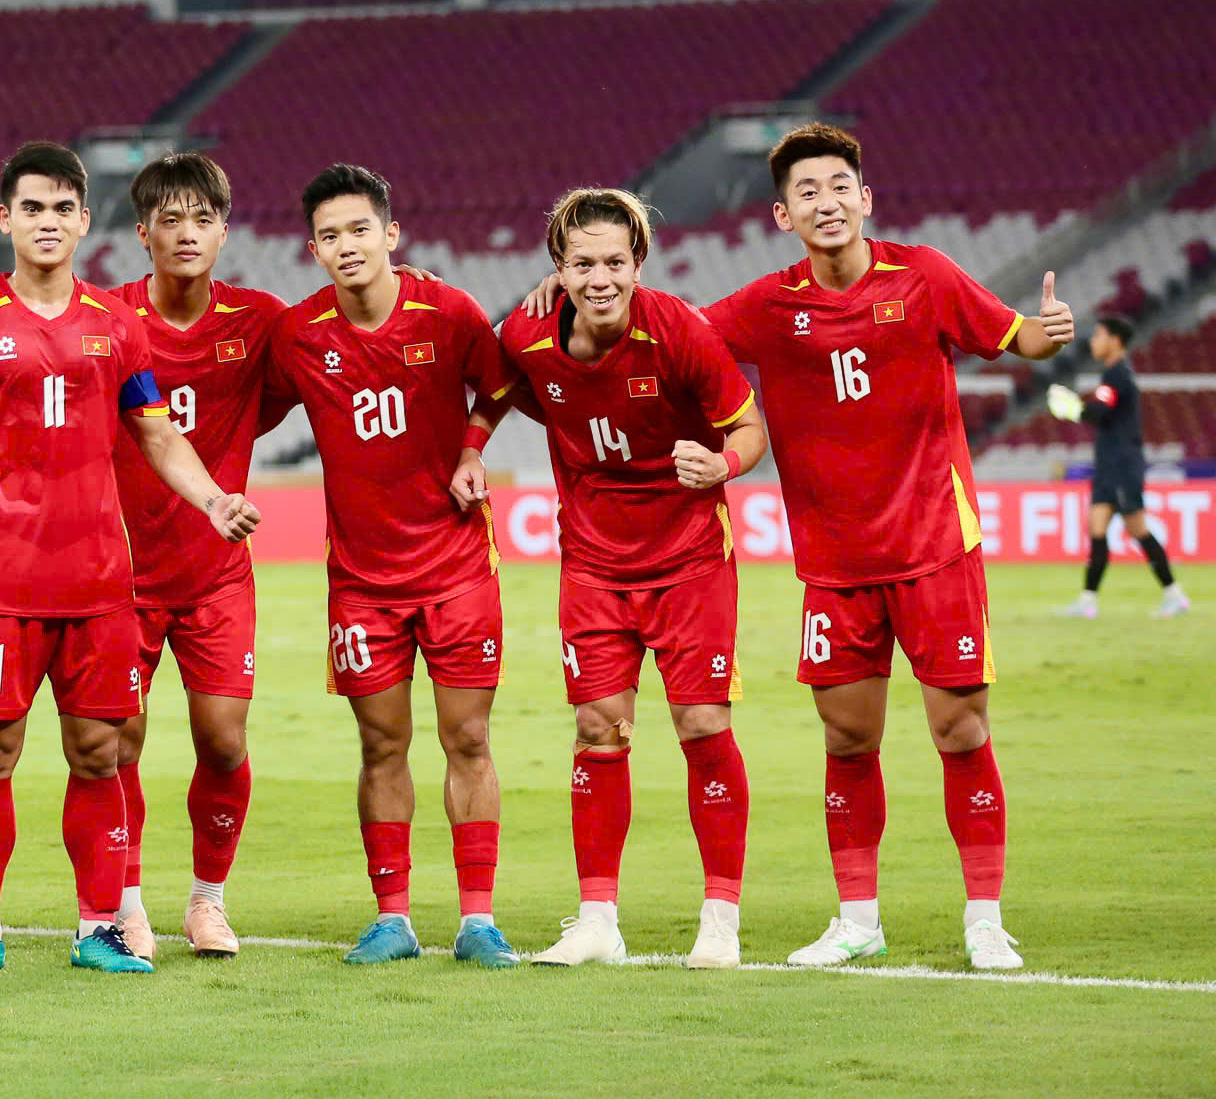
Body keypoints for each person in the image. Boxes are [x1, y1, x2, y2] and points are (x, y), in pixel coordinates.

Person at [676, 124, 1074, 971]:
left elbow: (1017, 339)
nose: (826, 202)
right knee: (847, 739)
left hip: (935, 545)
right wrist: (566, 293)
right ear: (784, 215)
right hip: (836, 564)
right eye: (806, 193)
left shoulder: (923, 275)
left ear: (866, 198)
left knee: (960, 730)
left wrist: (1050, 330)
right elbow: (672, 335)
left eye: (838, 186)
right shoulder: (766, 307)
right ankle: (858, 919)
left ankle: (983, 919)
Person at [0, 141, 261, 978]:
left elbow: (153, 430)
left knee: (98, 754)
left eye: (62, 207)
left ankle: (100, 928)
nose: (46, 221)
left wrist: (211, 496)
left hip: (103, 582)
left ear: (84, 220)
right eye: (30, 207)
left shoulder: (118, 325)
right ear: (5, 219)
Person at [499, 187, 767, 973]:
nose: (600, 277)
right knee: (597, 731)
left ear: (639, 263)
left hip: (688, 560)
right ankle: (596, 920)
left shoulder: (679, 329)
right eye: (582, 263)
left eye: (615, 261)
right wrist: (476, 444)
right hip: (592, 564)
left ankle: (720, 919)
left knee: (702, 729)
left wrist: (722, 463)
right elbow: (498, 383)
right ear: (559, 268)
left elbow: (749, 426)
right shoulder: (527, 333)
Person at [266, 165, 522, 970]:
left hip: (455, 567)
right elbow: (234, 389)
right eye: (331, 237)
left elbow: (503, 381)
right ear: (313, 249)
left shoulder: (448, 311)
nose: (347, 247)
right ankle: (393, 916)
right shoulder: (299, 334)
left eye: (359, 231)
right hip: (362, 582)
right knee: (381, 747)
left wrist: (475, 450)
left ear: (391, 234)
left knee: (468, 738)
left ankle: (478, 919)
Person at [1052, 316, 1188, 618]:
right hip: (1110, 466)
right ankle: (1088, 602)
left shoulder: (1117, 375)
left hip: (1122, 465)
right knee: (1096, 526)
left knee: (1137, 529)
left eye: (1099, 335)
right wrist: (1078, 410)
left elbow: (1099, 410)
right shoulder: (1113, 375)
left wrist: (1072, 408)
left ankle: (1174, 595)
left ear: (1115, 340)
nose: (1093, 341)